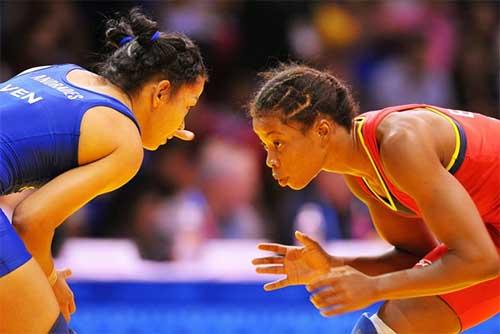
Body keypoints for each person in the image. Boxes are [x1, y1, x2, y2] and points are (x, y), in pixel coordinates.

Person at [0, 8, 206, 333]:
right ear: (161, 92)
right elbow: (31, 220)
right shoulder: (125, 142)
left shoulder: (58, 71)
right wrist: (50, 280)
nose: (183, 127)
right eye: (187, 107)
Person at [250, 64, 499, 333]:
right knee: (398, 322)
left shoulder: (400, 144)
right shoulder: (362, 173)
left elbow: (478, 260)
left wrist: (374, 288)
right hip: (491, 232)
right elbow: (413, 259)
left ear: (322, 131)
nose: (270, 161)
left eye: (277, 143)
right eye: (265, 146)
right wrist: (333, 266)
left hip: (486, 244)